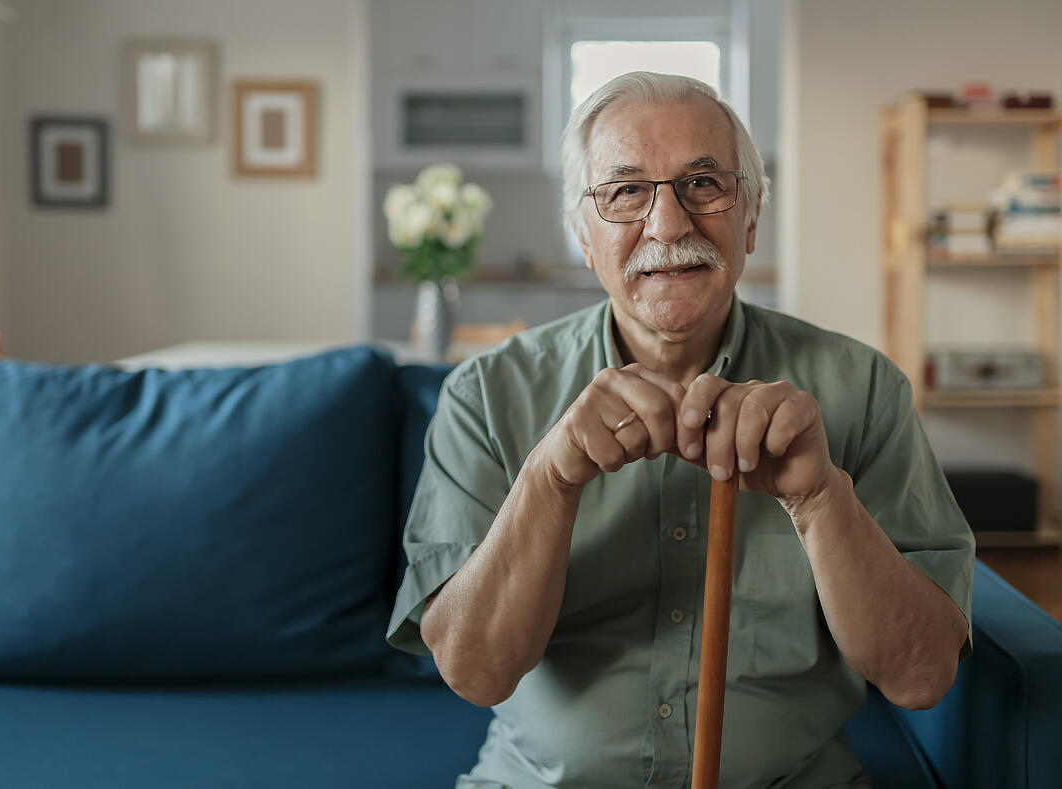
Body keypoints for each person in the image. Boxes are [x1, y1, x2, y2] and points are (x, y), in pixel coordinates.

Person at [386, 72, 974, 789]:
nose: (668, 225)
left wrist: (823, 500)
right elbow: (475, 672)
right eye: (626, 191)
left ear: (751, 218)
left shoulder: (865, 391)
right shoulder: (485, 395)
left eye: (704, 183)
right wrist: (547, 479)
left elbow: (922, 675)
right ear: (581, 231)